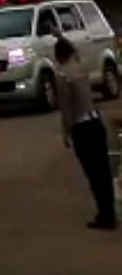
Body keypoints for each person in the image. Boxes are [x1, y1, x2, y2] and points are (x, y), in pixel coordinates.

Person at [53, 32, 118, 230]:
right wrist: (59, 35)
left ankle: (105, 216)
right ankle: (110, 213)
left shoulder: (62, 76)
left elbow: (66, 109)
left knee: (93, 174)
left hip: (82, 127)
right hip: (95, 122)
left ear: (57, 56)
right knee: (104, 172)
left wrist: (65, 133)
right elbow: (74, 48)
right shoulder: (80, 67)